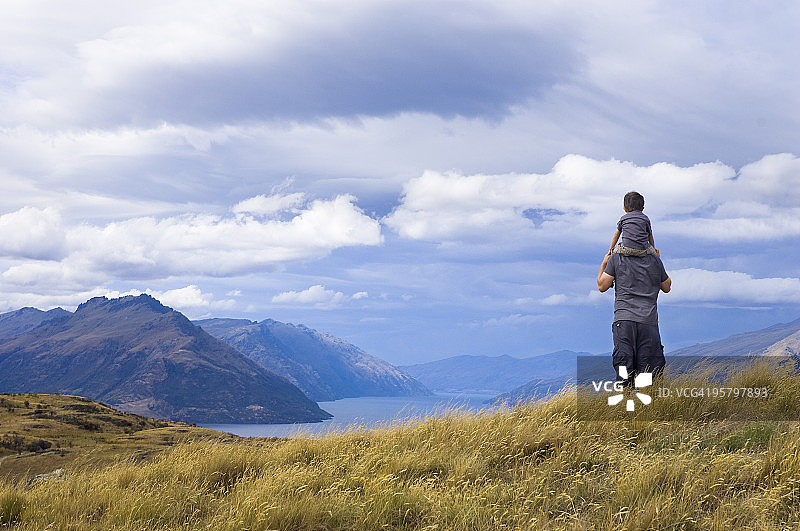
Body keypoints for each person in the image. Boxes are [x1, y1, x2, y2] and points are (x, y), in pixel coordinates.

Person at [597, 224, 671, 387]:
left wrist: (604, 263)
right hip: (648, 321)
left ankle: (625, 402)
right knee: (649, 372)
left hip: (624, 320)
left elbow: (602, 286)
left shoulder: (616, 258)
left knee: (624, 369)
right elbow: (667, 287)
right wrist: (658, 260)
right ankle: (647, 402)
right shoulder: (654, 260)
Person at [608, 191, 657, 257]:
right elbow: (650, 236)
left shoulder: (623, 218)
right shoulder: (645, 219)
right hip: (642, 251)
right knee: (653, 253)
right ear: (642, 208)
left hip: (626, 250)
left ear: (625, 208)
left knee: (615, 252)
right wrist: (654, 250)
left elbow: (616, 235)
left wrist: (610, 250)